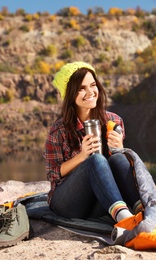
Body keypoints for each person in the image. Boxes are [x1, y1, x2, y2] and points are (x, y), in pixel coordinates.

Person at [44, 61, 143, 223]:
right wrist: (83, 157)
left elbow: (119, 168)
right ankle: (125, 219)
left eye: (93, 85)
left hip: (101, 200)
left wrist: (120, 150)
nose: (90, 92)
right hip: (69, 204)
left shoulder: (114, 120)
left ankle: (141, 211)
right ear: (69, 94)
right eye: (81, 88)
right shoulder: (58, 131)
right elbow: (52, 173)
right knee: (95, 160)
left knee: (119, 158)